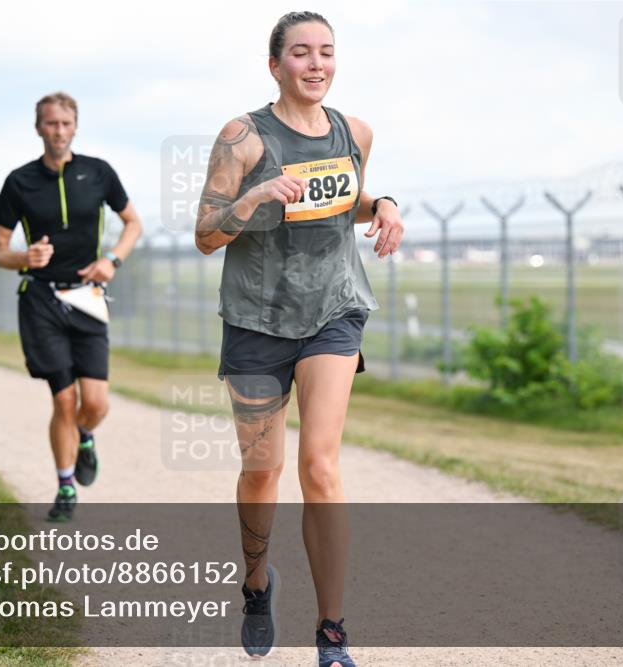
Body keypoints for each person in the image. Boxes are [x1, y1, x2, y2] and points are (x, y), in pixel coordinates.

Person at [194, 12, 404, 667]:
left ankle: (332, 630)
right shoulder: (243, 137)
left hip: (333, 313)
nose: (316, 64)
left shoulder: (355, 132)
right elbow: (205, 232)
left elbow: (352, 200)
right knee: (263, 469)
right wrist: (253, 198)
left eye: (327, 53)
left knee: (320, 464)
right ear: (275, 65)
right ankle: (256, 584)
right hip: (256, 320)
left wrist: (386, 205)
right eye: (301, 54)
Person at [0, 91, 142, 523]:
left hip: (87, 297)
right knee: (63, 400)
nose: (58, 131)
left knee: (95, 403)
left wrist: (112, 260)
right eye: (51, 123)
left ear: (75, 126)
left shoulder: (98, 173)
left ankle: (85, 436)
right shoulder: (18, 181)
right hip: (40, 300)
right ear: (38, 127)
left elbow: (134, 223)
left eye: (65, 123)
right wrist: (24, 257)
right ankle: (65, 487)